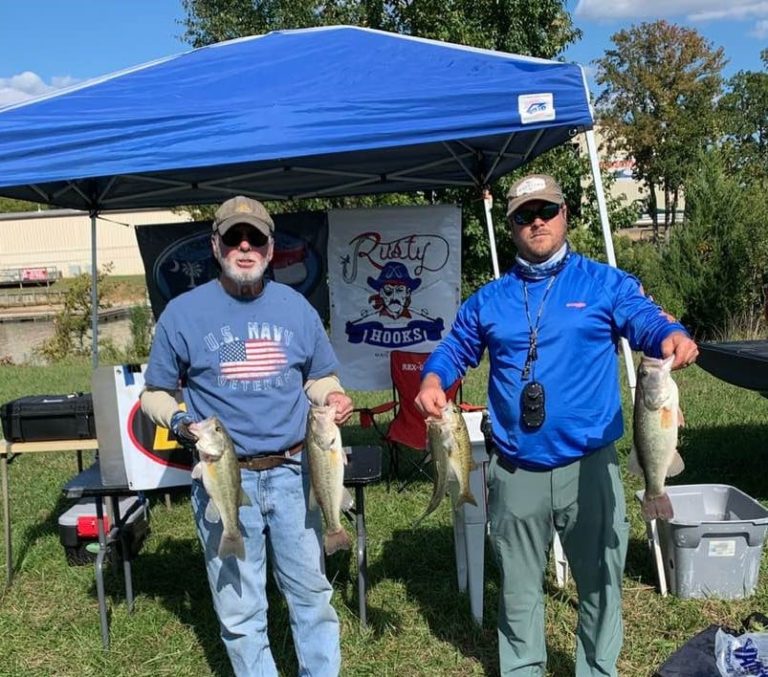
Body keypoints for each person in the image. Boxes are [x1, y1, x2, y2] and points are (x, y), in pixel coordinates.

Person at [414, 174, 698, 676]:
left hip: (589, 464)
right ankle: (523, 668)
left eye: (546, 210)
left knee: (600, 584)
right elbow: (456, 347)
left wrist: (670, 333)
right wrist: (435, 378)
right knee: (520, 592)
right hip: (515, 468)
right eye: (525, 215)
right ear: (511, 226)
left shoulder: (604, 283)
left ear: (566, 214)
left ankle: (596, 669)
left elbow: (646, 319)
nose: (537, 222)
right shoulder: (490, 298)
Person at [140, 195, 353, 677]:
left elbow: (320, 377)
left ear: (270, 247)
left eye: (255, 237)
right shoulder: (182, 313)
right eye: (233, 237)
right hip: (224, 475)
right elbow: (153, 393)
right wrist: (178, 423)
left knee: (312, 597)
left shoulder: (296, 308)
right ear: (215, 246)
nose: (244, 246)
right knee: (240, 611)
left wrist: (333, 396)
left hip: (299, 472)